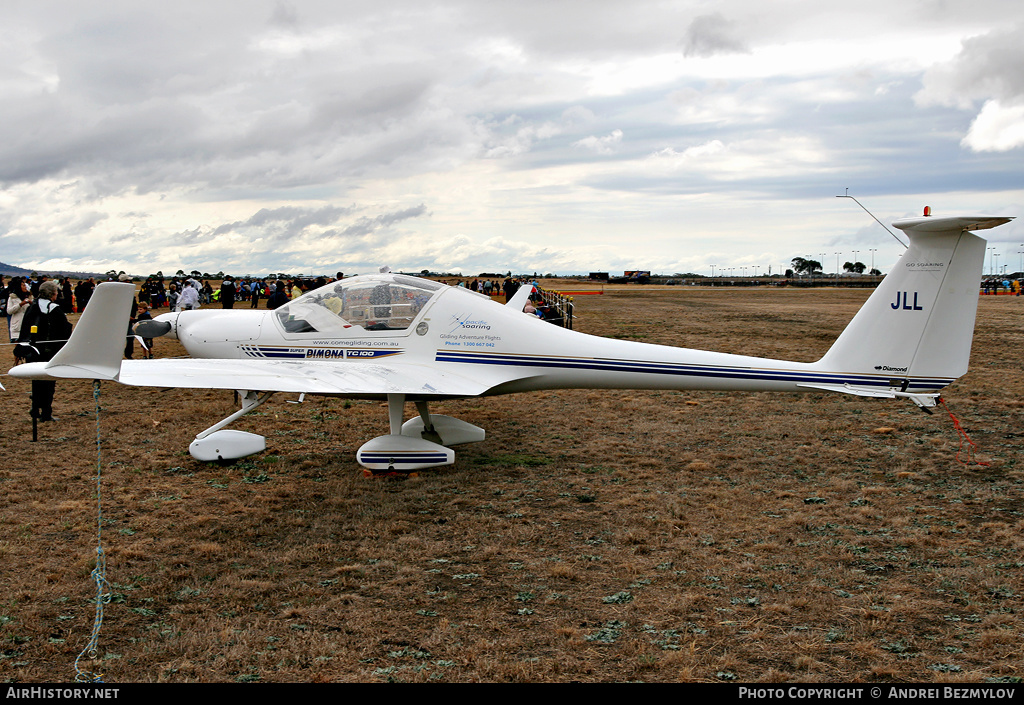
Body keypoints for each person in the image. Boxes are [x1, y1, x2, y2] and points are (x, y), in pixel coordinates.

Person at [16, 280, 71, 422]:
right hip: (49, 352)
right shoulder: (55, 309)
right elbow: (64, 331)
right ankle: (46, 412)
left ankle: (35, 408)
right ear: (52, 294)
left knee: (36, 380)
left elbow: (24, 329)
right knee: (48, 382)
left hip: (33, 351)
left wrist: (20, 349)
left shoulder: (32, 307)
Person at [7, 277, 33, 357]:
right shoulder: (12, 298)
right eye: (22, 285)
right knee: (18, 349)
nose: (25, 287)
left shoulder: (29, 296)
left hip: (28, 324)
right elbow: (9, 311)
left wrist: (32, 303)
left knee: (28, 347)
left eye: (25, 285)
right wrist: (20, 304)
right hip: (17, 325)